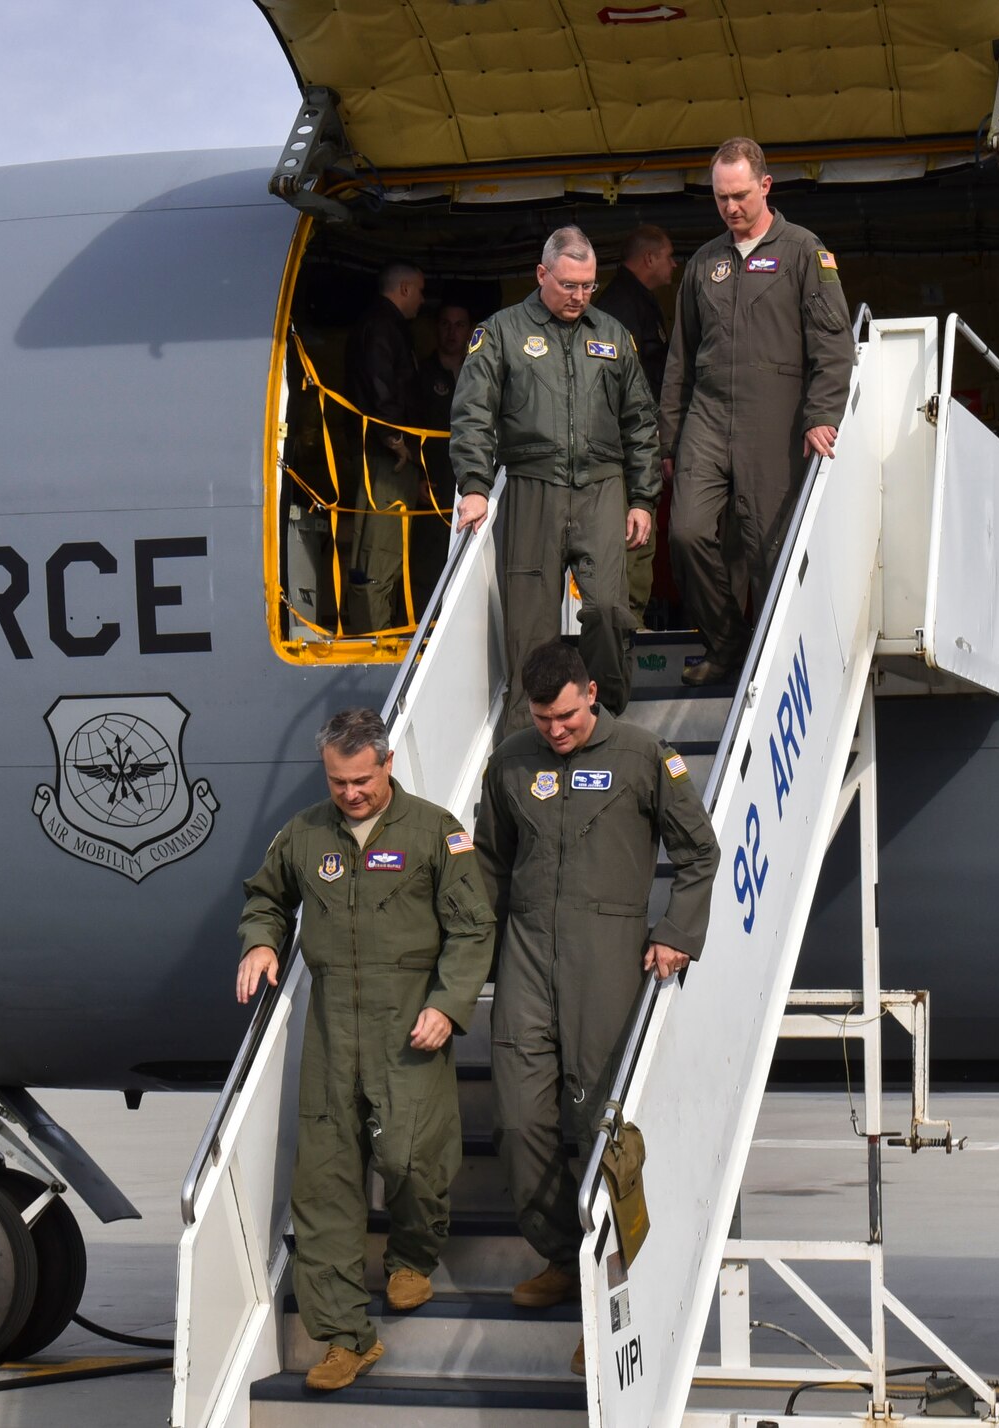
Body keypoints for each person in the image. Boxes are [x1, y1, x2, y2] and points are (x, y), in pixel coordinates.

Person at [237, 707, 494, 1393]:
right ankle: (346, 1337)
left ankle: (412, 1256)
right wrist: (261, 940)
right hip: (332, 1024)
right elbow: (265, 895)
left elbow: (473, 928)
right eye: (337, 781)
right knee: (323, 1185)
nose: (349, 793)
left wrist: (448, 1005)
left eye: (360, 779)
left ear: (386, 764)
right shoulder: (306, 833)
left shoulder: (435, 832)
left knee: (413, 1155)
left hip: (408, 1017)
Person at [475, 640, 718, 1364]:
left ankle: (616, 1293)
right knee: (519, 1122)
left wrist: (676, 931)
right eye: (544, 718)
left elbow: (700, 853)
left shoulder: (646, 756)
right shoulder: (511, 760)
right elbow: (489, 861)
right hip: (524, 954)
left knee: (605, 1129)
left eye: (568, 716)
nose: (556, 731)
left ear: (591, 693)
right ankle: (559, 1255)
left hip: (607, 956)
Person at [661, 137, 854, 686]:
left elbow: (834, 345)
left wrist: (822, 415)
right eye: (721, 198)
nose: (731, 208)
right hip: (708, 415)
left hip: (777, 418)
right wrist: (668, 438)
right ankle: (727, 644)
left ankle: (774, 667)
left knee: (769, 547)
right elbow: (680, 357)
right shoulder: (704, 264)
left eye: (740, 195)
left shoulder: (803, 251)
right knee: (687, 533)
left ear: (765, 186)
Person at [450, 226, 658, 723]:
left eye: (588, 285)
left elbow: (641, 420)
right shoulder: (499, 332)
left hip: (602, 489)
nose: (580, 296)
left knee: (609, 611)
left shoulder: (612, 335)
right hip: (530, 488)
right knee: (531, 632)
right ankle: (526, 740)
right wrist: (475, 487)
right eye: (568, 285)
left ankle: (603, 718)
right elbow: (472, 413)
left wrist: (643, 498)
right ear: (542, 274)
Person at [593, 226, 677, 630]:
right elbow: (625, 382)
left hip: (636, 435)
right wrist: (648, 438)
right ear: (648, 259)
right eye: (668, 256)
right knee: (635, 526)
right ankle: (628, 618)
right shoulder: (621, 306)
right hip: (626, 440)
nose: (674, 264)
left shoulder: (636, 301)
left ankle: (630, 615)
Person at [343, 262, 427, 635]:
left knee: (386, 552)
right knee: (379, 552)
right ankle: (374, 635)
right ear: (405, 289)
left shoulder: (385, 326)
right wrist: (395, 440)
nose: (423, 301)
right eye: (421, 292)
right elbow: (382, 387)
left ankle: (380, 627)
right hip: (386, 459)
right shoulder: (382, 327)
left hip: (387, 454)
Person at [409, 301, 475, 603]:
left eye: (459, 324)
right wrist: (417, 476)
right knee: (428, 558)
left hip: (472, 482)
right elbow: (409, 425)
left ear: (470, 331)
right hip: (433, 482)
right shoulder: (422, 372)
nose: (452, 331)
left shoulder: (480, 371)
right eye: (446, 323)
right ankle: (423, 630)